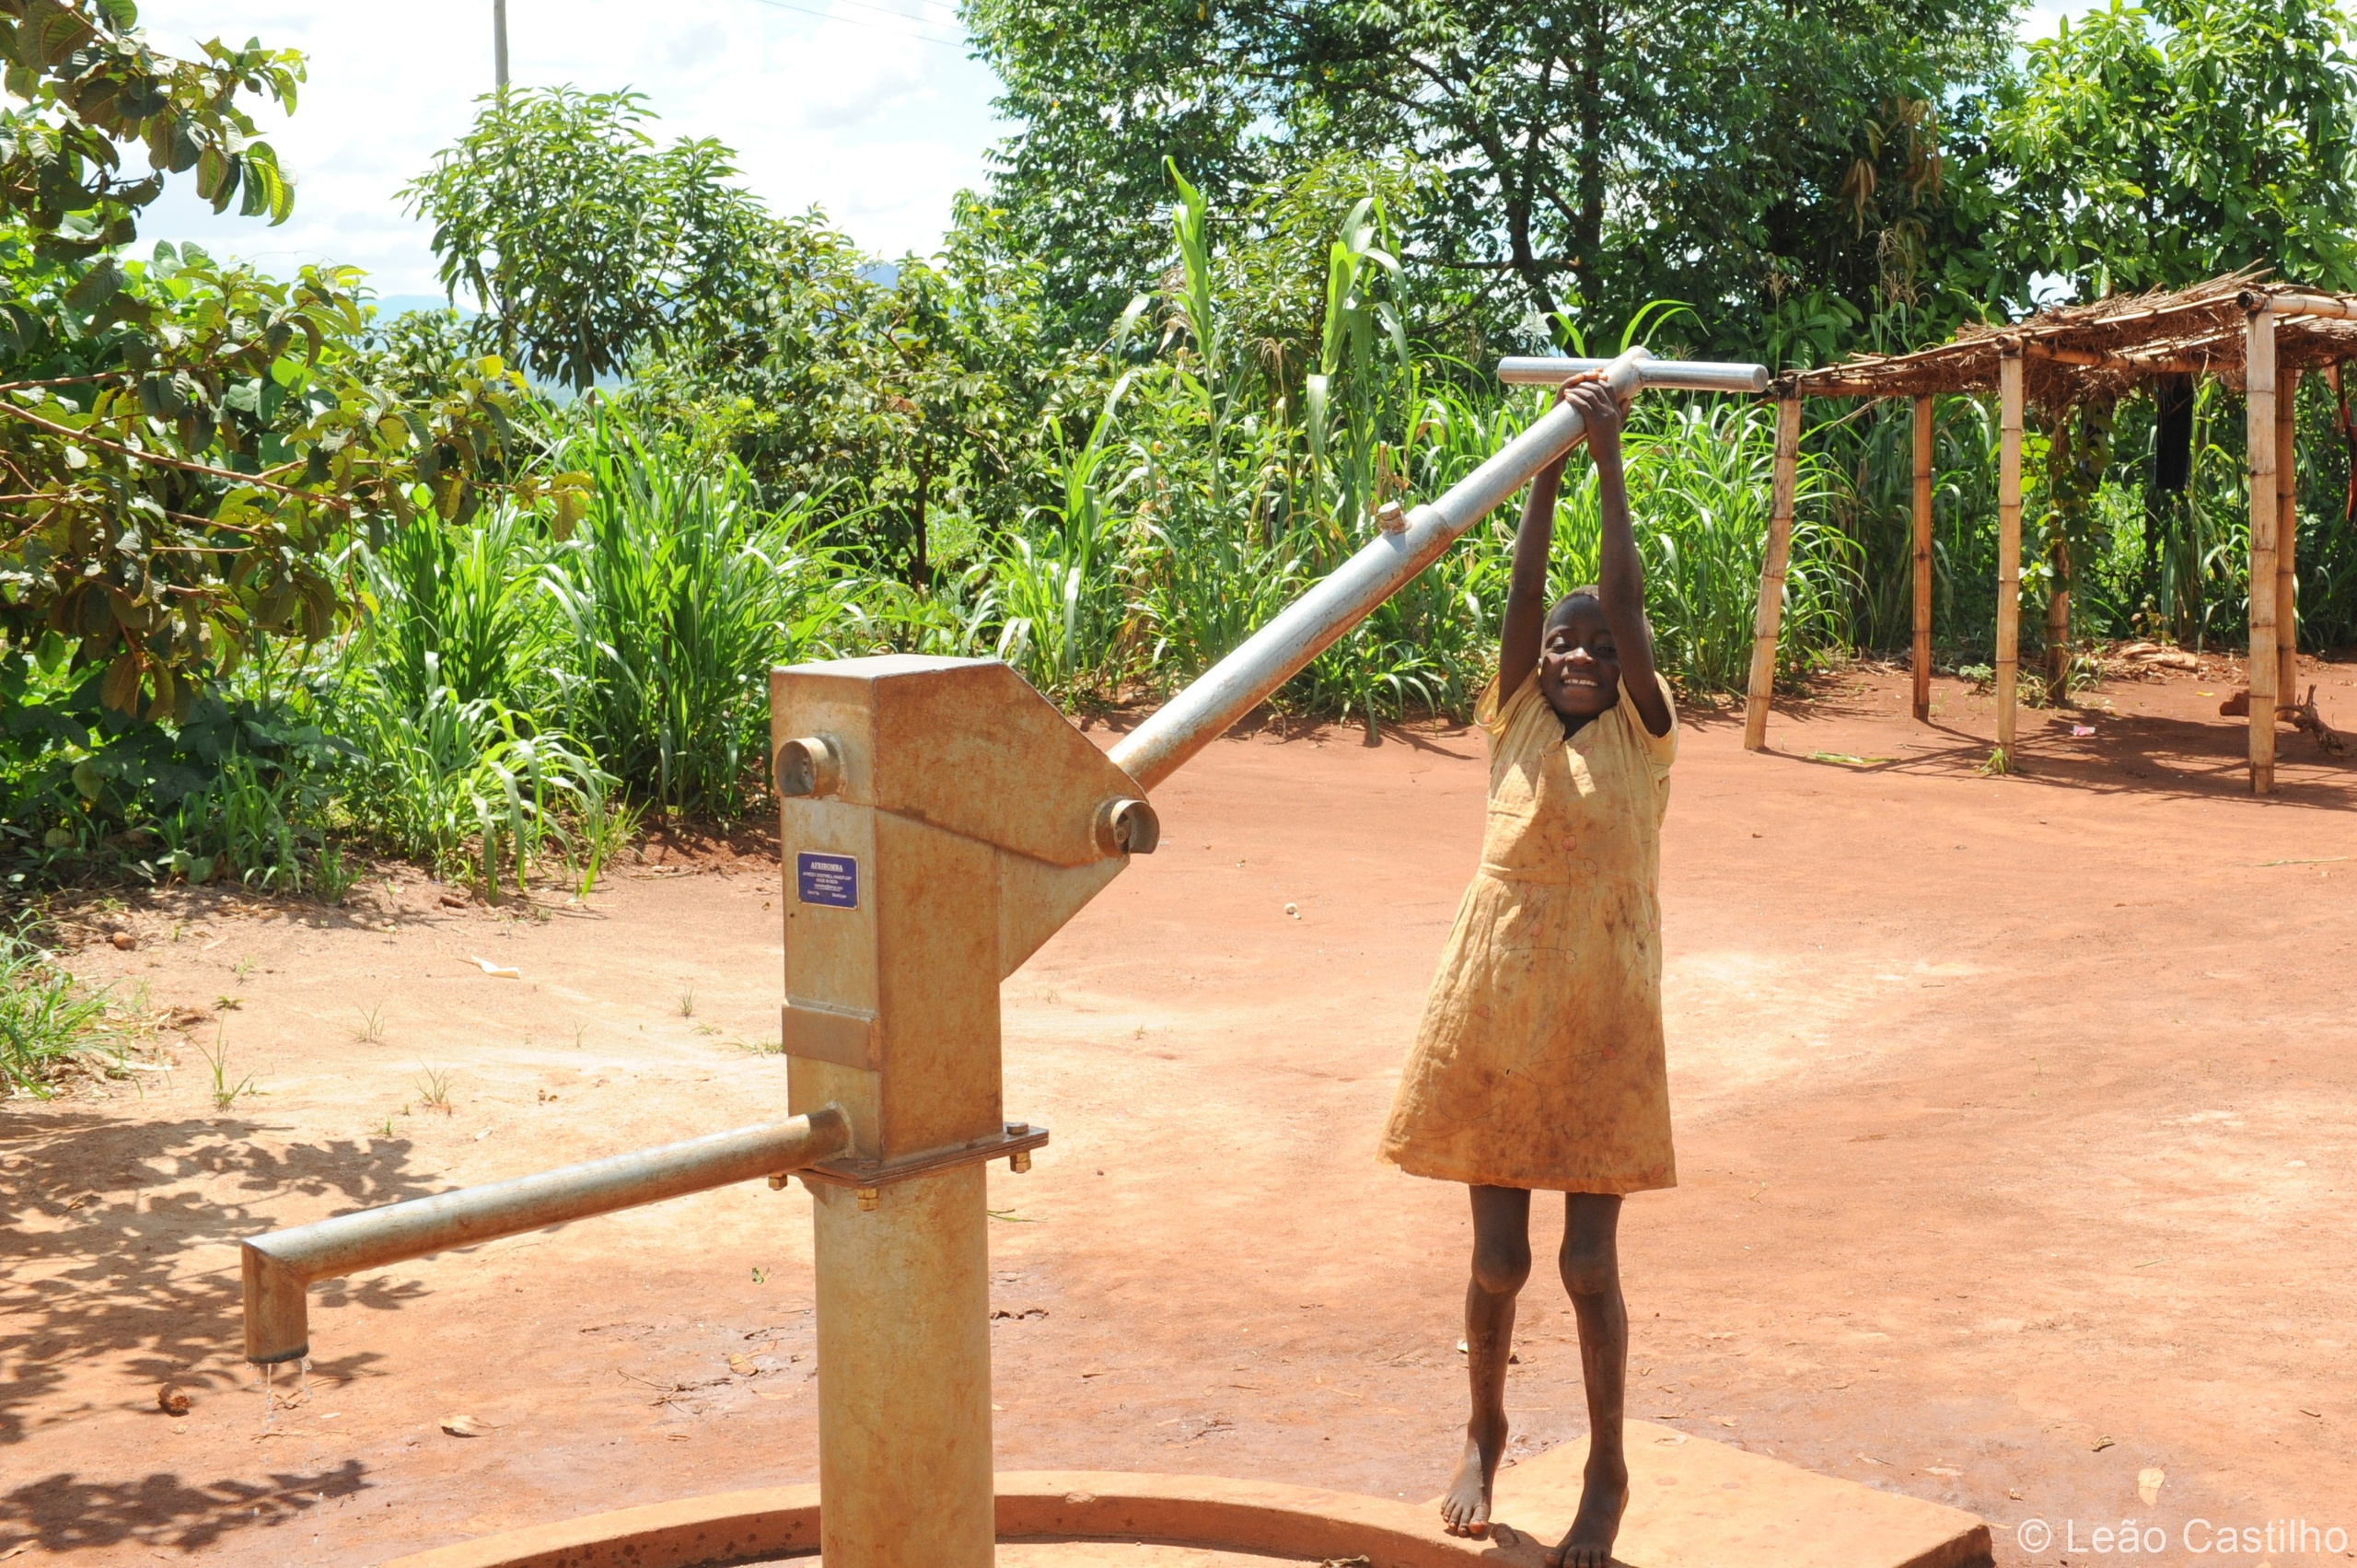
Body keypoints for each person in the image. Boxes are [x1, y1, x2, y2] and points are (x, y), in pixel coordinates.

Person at [1377, 374, 1677, 1568]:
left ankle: (1605, 1471)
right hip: (1492, 1014)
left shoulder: (1641, 731)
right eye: (1564, 642)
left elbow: (1631, 609)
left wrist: (1603, 462)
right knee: (1498, 1262)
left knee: (1586, 1264)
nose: (1578, 654)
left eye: (1596, 643)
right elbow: (1521, 597)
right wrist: (1542, 470)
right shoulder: (1508, 716)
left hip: (1602, 1019)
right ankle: (1486, 1434)